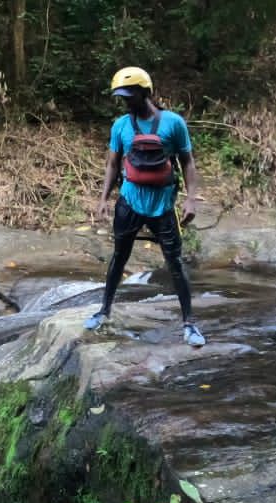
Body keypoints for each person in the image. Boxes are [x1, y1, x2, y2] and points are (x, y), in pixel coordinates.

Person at [85, 66, 205, 349]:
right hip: (129, 202)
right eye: (122, 96)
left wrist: (190, 198)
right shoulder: (121, 126)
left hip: (163, 205)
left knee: (174, 263)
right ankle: (104, 311)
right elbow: (114, 163)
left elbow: (187, 162)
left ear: (145, 92)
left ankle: (189, 323)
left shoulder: (173, 123)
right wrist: (103, 199)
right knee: (119, 257)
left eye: (130, 95)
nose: (126, 101)